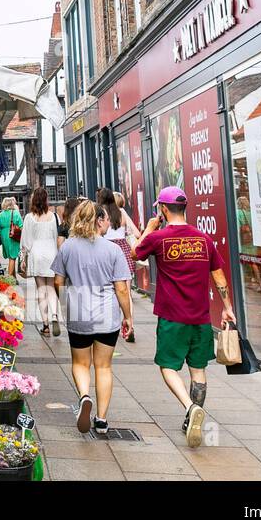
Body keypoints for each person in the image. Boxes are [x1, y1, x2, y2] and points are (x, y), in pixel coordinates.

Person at [134, 186, 235, 448]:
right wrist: (227, 306)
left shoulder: (159, 238)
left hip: (172, 317)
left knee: (168, 366)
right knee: (198, 370)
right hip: (200, 317)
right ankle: (193, 416)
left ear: (164, 210)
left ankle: (190, 409)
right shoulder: (203, 239)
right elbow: (219, 276)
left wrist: (150, 228)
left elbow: (135, 253)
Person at [52, 201, 133, 436]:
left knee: (80, 363)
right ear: (98, 220)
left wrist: (66, 302)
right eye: (105, 218)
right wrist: (127, 317)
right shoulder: (113, 250)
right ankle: (102, 419)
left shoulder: (67, 247)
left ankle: (85, 396)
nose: (108, 222)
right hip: (107, 315)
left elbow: (57, 281)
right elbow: (121, 289)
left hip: (79, 313)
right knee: (104, 367)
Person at [99, 188, 140, 342]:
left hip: (104, 251)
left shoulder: (100, 213)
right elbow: (136, 233)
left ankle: (110, 326)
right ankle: (130, 325)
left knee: (106, 290)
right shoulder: (121, 212)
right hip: (123, 251)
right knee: (126, 291)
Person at [20, 186, 62, 336]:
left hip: (37, 255)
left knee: (41, 290)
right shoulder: (54, 217)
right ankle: (55, 316)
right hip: (52, 254)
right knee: (51, 288)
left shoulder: (29, 218)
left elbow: (25, 241)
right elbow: (58, 238)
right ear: (46, 200)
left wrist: (22, 257)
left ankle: (45, 325)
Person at [0, 197, 24, 277]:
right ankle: (9, 278)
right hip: (13, 236)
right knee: (12, 257)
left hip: (4, 236)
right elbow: (21, 226)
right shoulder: (15, 213)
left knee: (11, 257)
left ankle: (14, 278)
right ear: (11, 204)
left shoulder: (0, 215)